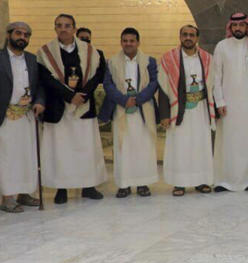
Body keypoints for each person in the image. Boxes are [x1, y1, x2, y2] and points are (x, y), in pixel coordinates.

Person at [0, 22, 44, 213]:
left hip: (26, 116)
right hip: (1, 117)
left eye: (26, 35)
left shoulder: (31, 59)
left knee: (24, 156)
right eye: (18, 33)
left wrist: (39, 101)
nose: (22, 37)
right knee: (6, 158)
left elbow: (39, 86)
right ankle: (7, 197)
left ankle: (25, 193)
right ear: (8, 35)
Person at [37, 13, 107, 205]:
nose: (63, 29)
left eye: (67, 25)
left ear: (74, 29)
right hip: (58, 108)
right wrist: (69, 96)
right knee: (61, 150)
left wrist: (81, 95)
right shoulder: (45, 52)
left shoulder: (92, 52)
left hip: (84, 107)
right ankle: (62, 188)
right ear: (55, 28)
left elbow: (98, 75)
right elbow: (46, 78)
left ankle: (88, 186)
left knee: (86, 148)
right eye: (59, 25)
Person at [100, 27, 160, 198]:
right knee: (123, 148)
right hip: (121, 110)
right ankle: (124, 184)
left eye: (131, 41)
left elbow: (154, 83)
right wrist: (123, 99)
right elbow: (108, 85)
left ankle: (143, 183)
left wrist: (139, 99)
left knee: (143, 147)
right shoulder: (112, 62)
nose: (128, 44)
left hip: (143, 110)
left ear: (138, 42)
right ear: (121, 42)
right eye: (125, 40)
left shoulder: (149, 61)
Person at [157, 25, 216, 196]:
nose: (188, 38)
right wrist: (164, 115)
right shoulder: (169, 59)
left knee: (200, 145)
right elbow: (162, 87)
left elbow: (212, 85)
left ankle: (201, 181)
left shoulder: (206, 58)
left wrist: (216, 111)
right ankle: (179, 183)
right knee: (179, 146)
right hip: (178, 110)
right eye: (185, 35)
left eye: (191, 35)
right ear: (180, 37)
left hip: (200, 109)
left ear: (197, 38)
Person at [212, 12, 248, 192]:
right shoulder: (222, 46)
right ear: (230, 27)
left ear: (247, 26)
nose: (238, 28)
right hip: (228, 104)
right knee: (228, 141)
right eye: (234, 25)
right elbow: (216, 76)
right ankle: (225, 180)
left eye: (241, 25)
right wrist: (219, 102)